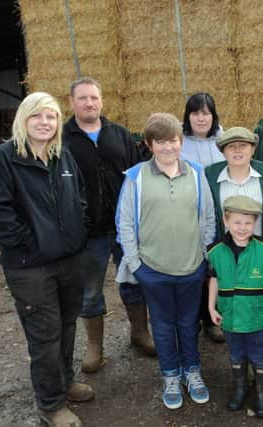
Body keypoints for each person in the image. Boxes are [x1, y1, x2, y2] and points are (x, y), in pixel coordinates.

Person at [0, 92, 93, 427]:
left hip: (69, 260)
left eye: (52, 117)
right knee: (45, 335)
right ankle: (50, 403)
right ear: (24, 119)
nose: (45, 123)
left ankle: (65, 382)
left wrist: (77, 234)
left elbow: (81, 200)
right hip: (30, 267)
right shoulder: (4, 159)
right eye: (37, 116)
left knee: (68, 324)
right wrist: (30, 245)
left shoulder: (63, 157)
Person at [115, 113, 216, 410]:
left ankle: (192, 371)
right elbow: (125, 223)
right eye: (160, 142)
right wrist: (136, 265)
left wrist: (203, 256)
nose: (168, 147)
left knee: (188, 322)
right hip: (152, 270)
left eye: (173, 140)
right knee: (162, 324)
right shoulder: (136, 177)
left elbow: (208, 216)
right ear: (149, 144)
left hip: (190, 267)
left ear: (180, 141)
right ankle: (170, 375)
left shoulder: (197, 173)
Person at [63, 77, 155, 374]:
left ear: (102, 101)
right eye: (83, 98)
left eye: (94, 98)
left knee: (134, 281)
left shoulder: (120, 134)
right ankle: (94, 347)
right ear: (71, 102)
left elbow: (137, 175)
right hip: (88, 232)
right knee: (90, 290)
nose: (89, 103)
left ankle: (140, 333)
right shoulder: (63, 138)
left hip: (125, 228)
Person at [207, 195, 263, 417]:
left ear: (255, 223)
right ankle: (240, 387)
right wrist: (211, 308)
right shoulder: (216, 252)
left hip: (257, 316)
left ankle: (261, 392)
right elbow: (213, 280)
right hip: (229, 316)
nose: (242, 228)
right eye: (237, 223)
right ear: (226, 221)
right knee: (236, 354)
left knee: (259, 354)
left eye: (248, 223)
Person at [179, 92, 226, 343]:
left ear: (213, 116)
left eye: (206, 113)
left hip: (218, 214)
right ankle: (193, 318)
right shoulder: (179, 142)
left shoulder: (222, 139)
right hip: (188, 214)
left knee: (215, 266)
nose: (201, 118)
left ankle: (213, 317)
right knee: (193, 266)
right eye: (195, 113)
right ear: (188, 116)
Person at [205, 127, 263, 244]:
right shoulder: (210, 178)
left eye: (243, 145)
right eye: (231, 146)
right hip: (225, 252)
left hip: (261, 250)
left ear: (253, 150)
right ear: (223, 152)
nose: (237, 150)